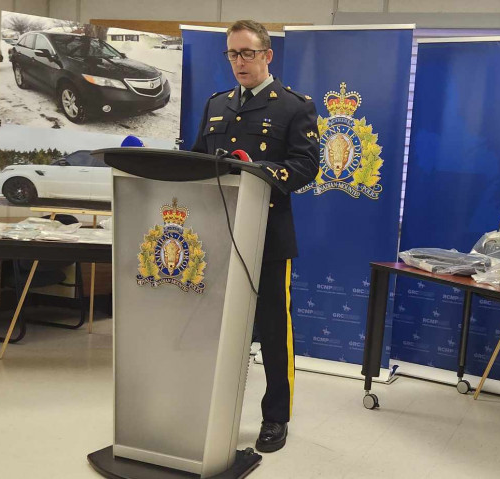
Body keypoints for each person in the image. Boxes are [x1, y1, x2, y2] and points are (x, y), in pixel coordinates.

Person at [192, 20, 319, 453]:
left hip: (267, 237)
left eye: (247, 53)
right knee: (210, 326)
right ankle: (205, 406)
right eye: (232, 54)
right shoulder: (216, 104)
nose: (239, 62)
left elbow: (305, 166)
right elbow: (196, 159)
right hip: (216, 237)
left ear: (268, 55)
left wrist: (260, 173)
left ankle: (275, 417)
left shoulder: (293, 106)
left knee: (272, 329)